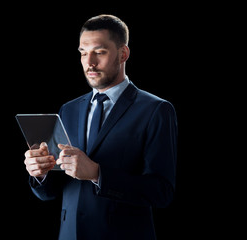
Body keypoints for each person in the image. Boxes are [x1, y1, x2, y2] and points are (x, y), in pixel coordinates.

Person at [24, 14, 178, 240]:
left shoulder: (156, 110)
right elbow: (52, 191)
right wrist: (40, 173)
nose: (90, 62)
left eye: (100, 52)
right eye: (83, 53)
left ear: (123, 54)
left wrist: (97, 174)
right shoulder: (69, 109)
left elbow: (162, 192)